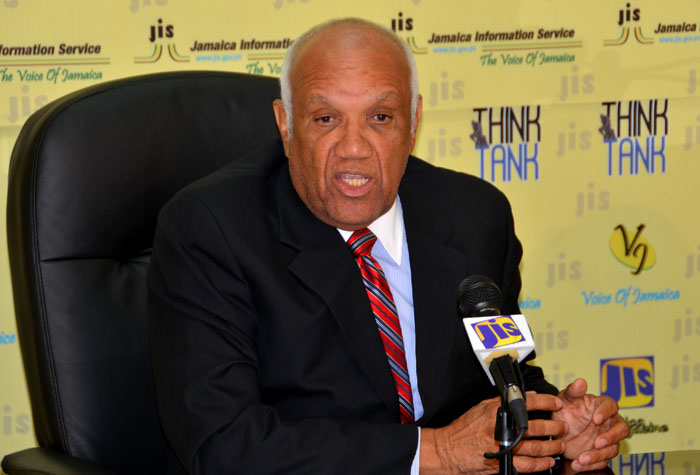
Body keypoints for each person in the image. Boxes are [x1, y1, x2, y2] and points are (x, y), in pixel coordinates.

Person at [147, 17, 629, 474]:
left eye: (380, 116)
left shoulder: (475, 216)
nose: (354, 146)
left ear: (413, 121)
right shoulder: (212, 231)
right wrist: (434, 453)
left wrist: (561, 432)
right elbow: (224, 445)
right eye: (325, 118)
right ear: (286, 126)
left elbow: (502, 377)